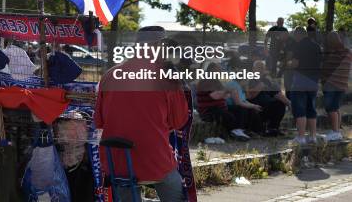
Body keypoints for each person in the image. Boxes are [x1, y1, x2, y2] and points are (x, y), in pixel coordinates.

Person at [94, 26, 188, 202]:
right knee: (175, 191)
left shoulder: (109, 75)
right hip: (154, 159)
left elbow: (99, 120)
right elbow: (179, 121)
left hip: (116, 160)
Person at [196, 62, 251, 141]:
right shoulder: (205, 81)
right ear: (211, 71)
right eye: (218, 70)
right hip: (208, 110)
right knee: (227, 116)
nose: (220, 72)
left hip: (219, 107)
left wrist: (225, 92)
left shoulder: (216, 81)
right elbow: (214, 96)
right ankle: (234, 132)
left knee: (240, 109)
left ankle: (238, 130)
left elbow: (225, 96)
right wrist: (227, 91)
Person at [286, 27, 322, 144]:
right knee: (311, 109)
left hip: (301, 80)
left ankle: (301, 137)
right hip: (313, 81)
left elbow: (296, 63)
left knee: (299, 108)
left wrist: (289, 64)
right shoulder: (316, 46)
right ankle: (312, 136)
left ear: (298, 35)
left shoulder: (299, 45)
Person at [321, 32, 351, 141]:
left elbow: (328, 68)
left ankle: (335, 132)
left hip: (333, 84)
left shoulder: (335, 53)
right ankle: (337, 131)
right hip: (341, 85)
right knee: (335, 108)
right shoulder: (347, 52)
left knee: (331, 108)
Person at [246, 60, 290, 136]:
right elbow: (249, 96)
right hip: (255, 105)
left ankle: (273, 128)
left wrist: (289, 103)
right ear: (253, 69)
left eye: (262, 68)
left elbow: (276, 93)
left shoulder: (266, 80)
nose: (261, 70)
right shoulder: (249, 79)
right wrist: (259, 87)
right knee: (274, 104)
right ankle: (265, 129)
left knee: (280, 103)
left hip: (268, 104)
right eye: (259, 68)